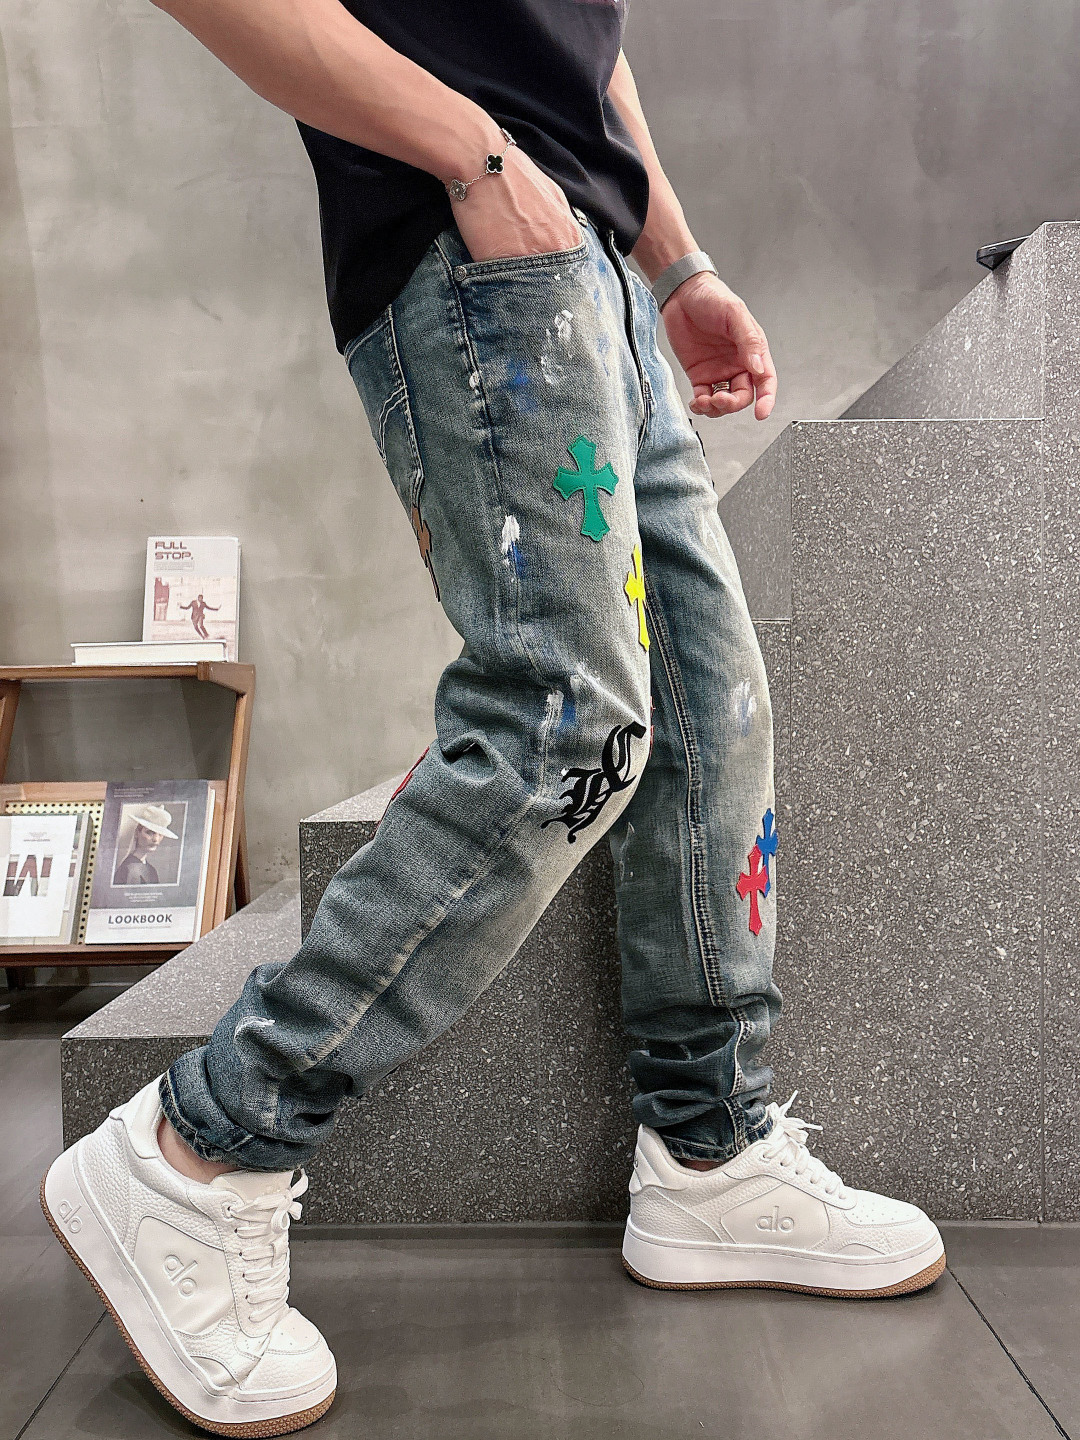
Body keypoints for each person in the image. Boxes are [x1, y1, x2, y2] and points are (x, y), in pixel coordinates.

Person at [42, 2, 946, 1434]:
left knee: (710, 716)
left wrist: (676, 262)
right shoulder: (472, 183)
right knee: (564, 723)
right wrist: (473, 159)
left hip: (585, 259)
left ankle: (708, 1154)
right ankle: (197, 1148)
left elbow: (578, 42)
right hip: (474, 242)